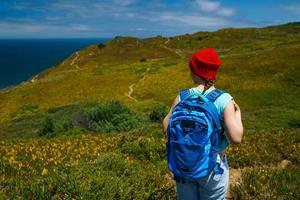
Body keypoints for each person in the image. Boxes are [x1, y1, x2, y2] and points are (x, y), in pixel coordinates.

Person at [162, 48, 243, 200]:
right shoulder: (224, 99)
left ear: (194, 72)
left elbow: (166, 127)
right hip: (212, 166)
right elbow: (236, 138)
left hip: (183, 164)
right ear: (214, 73)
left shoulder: (183, 96)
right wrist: (238, 114)